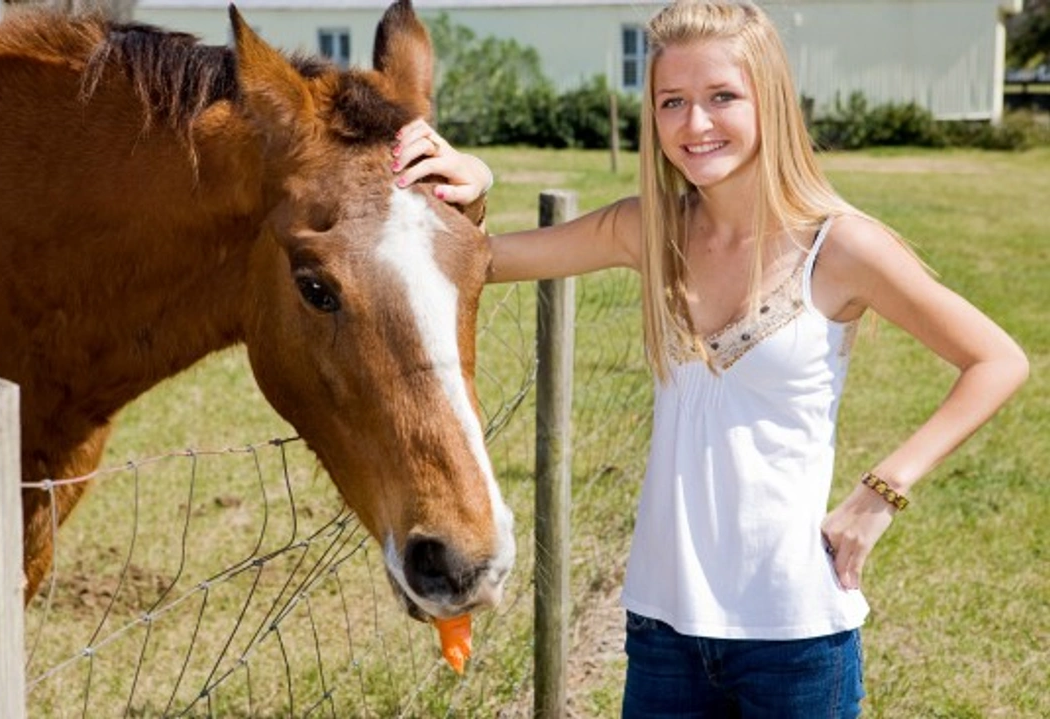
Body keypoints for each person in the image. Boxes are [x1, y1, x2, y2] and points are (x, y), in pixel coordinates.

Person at [391, 1, 1028, 716]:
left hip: (795, 636)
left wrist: (881, 491)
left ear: (769, 99)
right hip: (663, 629)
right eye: (673, 101)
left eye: (722, 96)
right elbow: (480, 263)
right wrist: (476, 176)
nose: (695, 124)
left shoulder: (842, 247)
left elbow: (997, 360)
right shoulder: (646, 229)